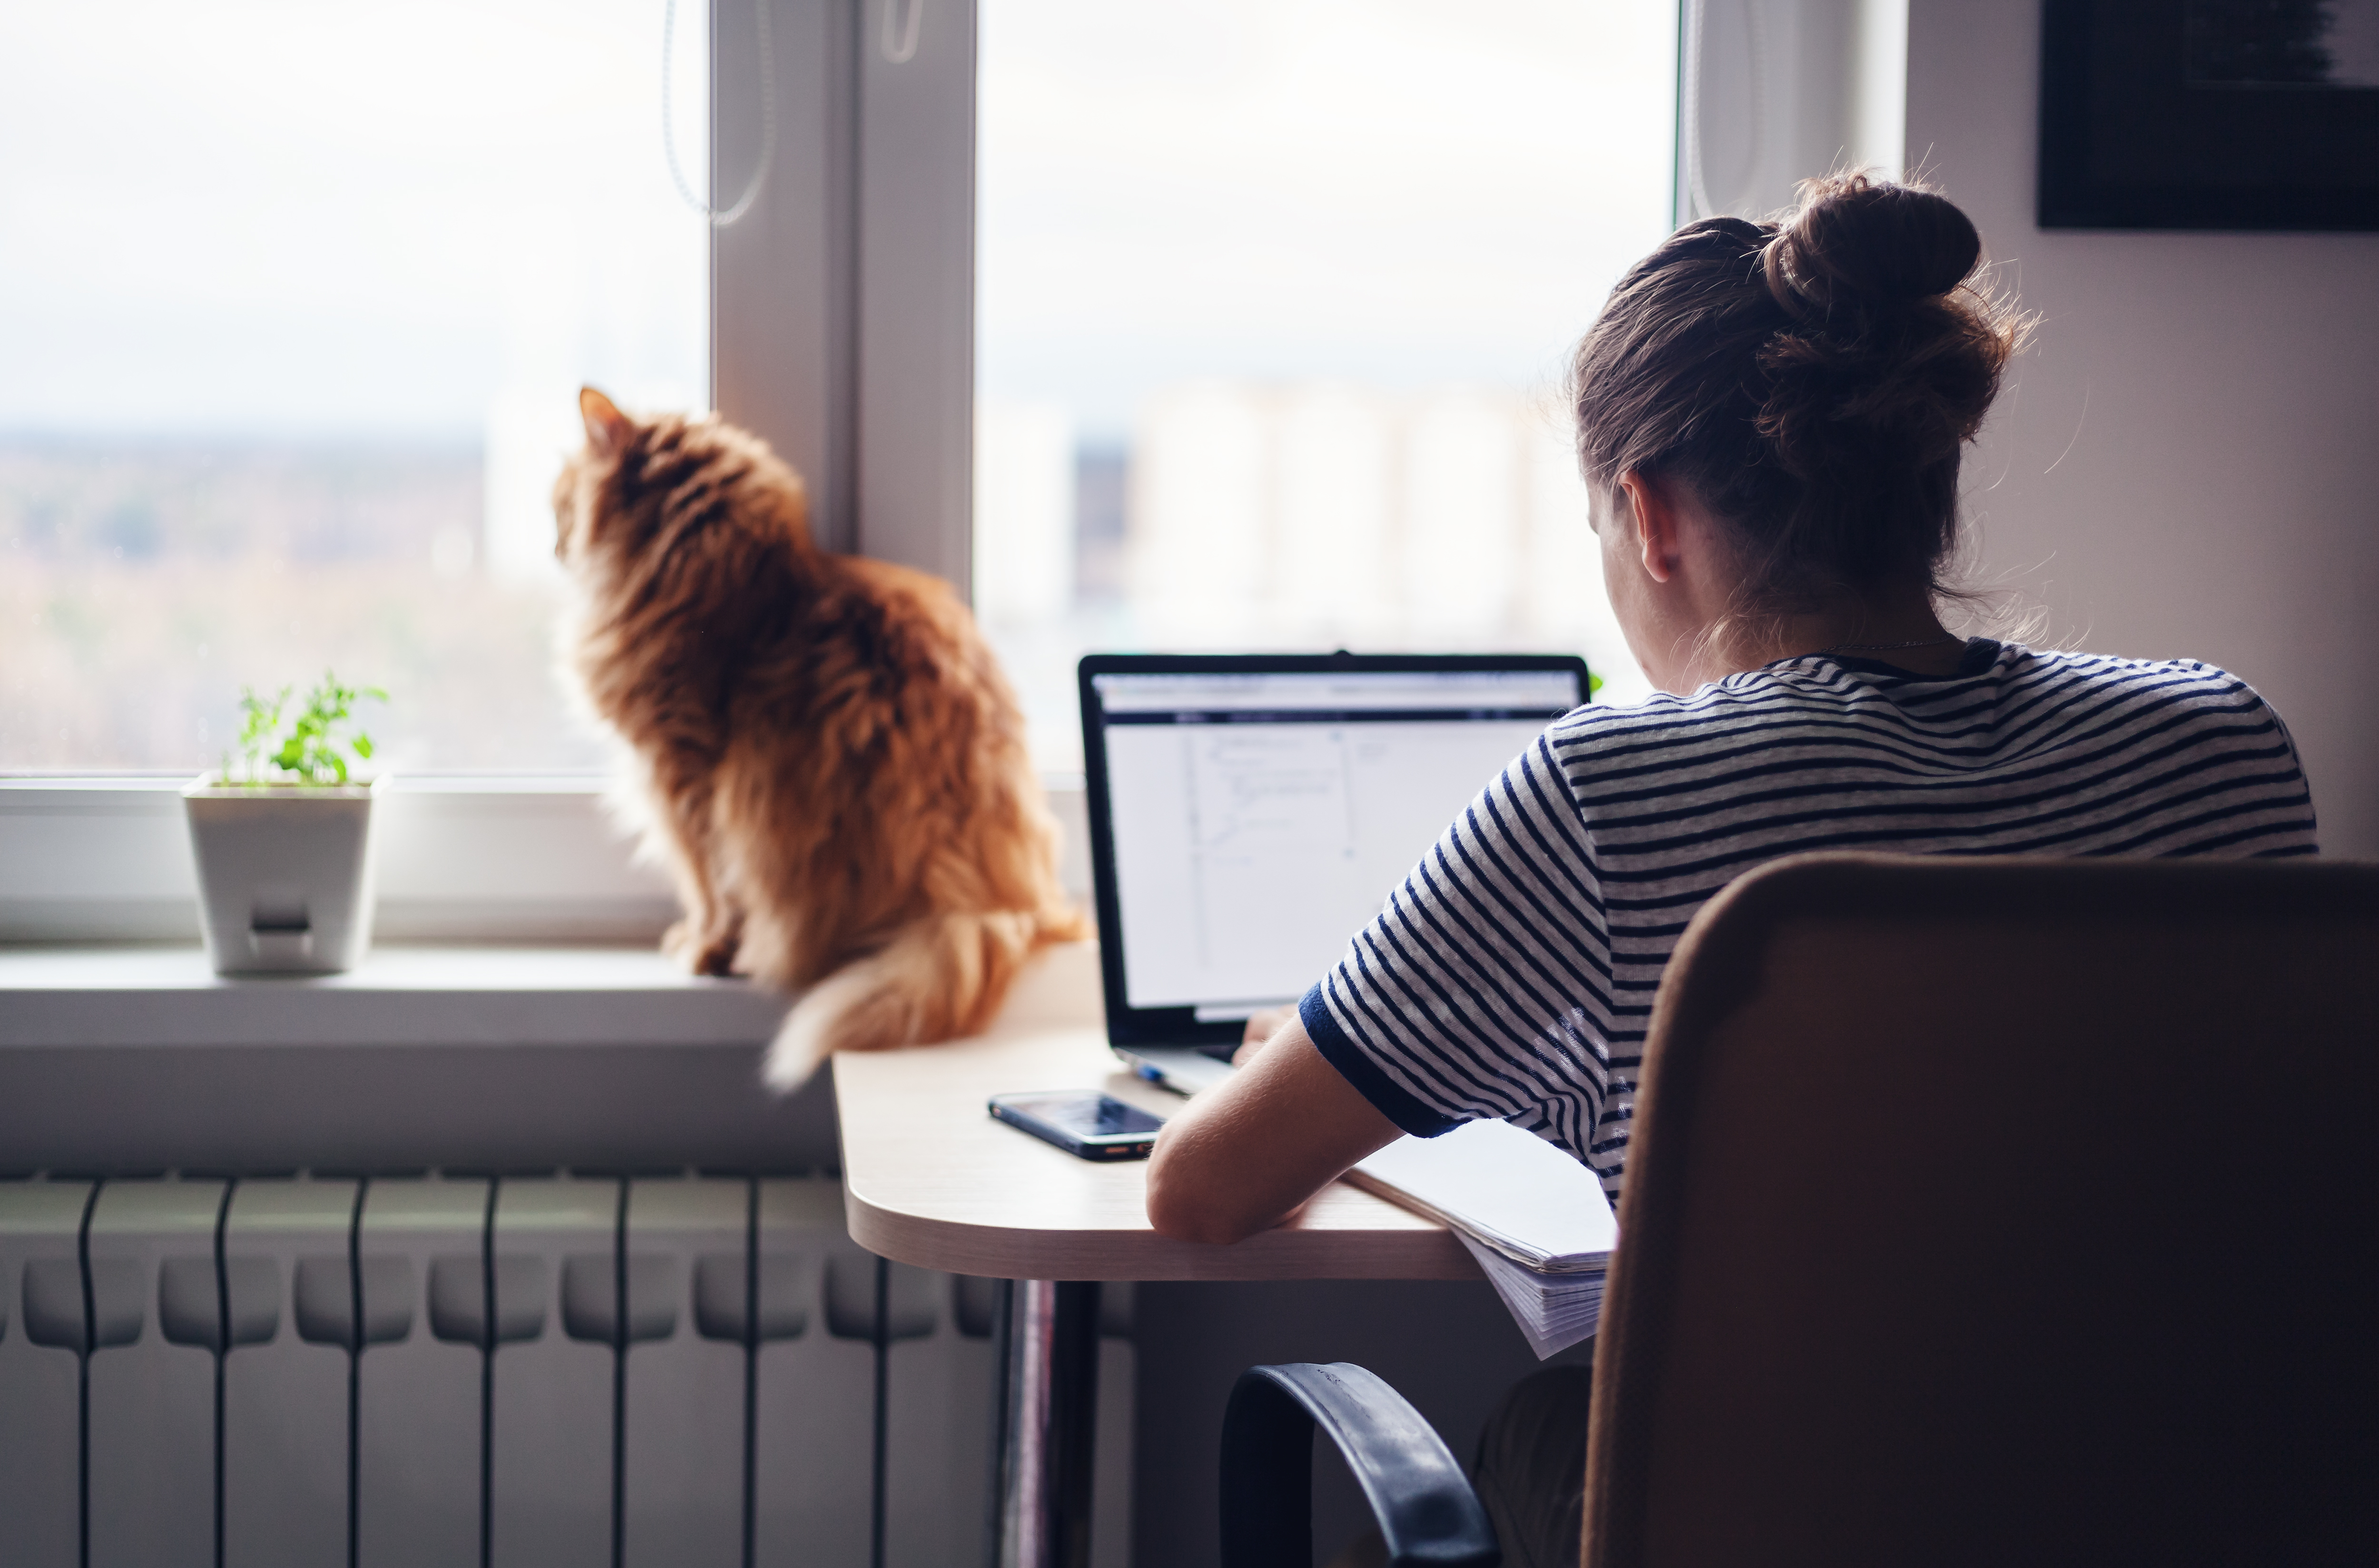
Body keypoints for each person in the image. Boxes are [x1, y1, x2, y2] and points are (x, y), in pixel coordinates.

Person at [1144, 174, 2320, 1568]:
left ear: (1649, 517)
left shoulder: (1608, 790)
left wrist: (1339, 1059)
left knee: (1539, 1423)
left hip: (1785, 1525)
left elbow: (1202, 1190)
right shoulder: (2220, 741)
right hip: (2186, 1503)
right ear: (1932, 474)